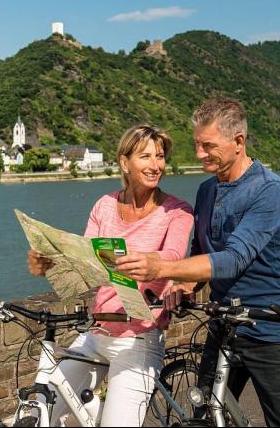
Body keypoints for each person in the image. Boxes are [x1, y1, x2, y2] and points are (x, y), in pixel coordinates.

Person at [116, 97, 280, 427]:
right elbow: (200, 249)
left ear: (238, 141)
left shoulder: (269, 190)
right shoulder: (207, 190)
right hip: (224, 325)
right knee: (204, 418)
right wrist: (187, 283)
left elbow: (233, 259)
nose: (200, 154)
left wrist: (160, 268)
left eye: (208, 146)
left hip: (270, 327)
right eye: (197, 145)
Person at [27, 124, 194, 427]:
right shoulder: (104, 206)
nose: (156, 165)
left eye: (160, 156)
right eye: (145, 156)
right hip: (96, 333)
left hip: (138, 341)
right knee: (39, 411)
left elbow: (172, 257)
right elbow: (85, 261)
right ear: (124, 162)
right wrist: (48, 263)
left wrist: (144, 261)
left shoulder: (178, 211)